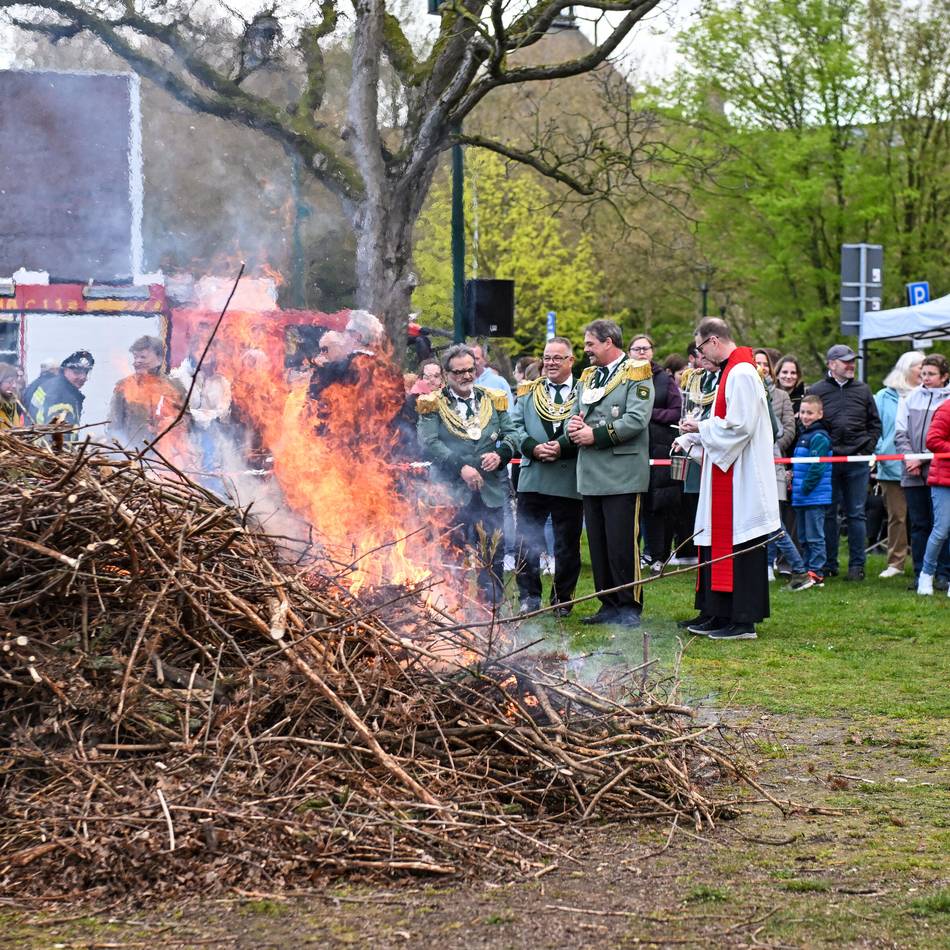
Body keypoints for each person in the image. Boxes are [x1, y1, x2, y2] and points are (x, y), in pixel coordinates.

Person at [674, 318, 780, 640]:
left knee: (741, 545)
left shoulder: (742, 373)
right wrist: (694, 437)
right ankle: (718, 611)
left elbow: (740, 427)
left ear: (714, 341)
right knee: (716, 539)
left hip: (742, 477)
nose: (699, 355)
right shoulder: (731, 371)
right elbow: (726, 421)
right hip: (726, 471)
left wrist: (700, 429)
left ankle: (742, 619)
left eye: (700, 347)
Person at [567, 319, 654, 627]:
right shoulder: (588, 376)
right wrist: (574, 427)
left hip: (621, 471)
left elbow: (636, 419)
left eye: (590, 343)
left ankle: (629, 605)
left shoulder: (637, 371)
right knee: (600, 544)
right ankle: (607, 602)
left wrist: (597, 435)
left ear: (608, 342)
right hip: (590, 472)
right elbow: (575, 413)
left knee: (622, 543)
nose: (586, 349)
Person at [416, 344, 516, 605]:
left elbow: (512, 433)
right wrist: (461, 466)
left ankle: (491, 610)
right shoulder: (432, 403)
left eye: (470, 370)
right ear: (447, 373)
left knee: (493, 554)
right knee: (452, 553)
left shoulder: (493, 398)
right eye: (458, 372)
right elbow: (429, 442)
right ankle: (452, 607)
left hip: (491, 489)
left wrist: (501, 454)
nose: (465, 376)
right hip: (451, 492)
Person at [510, 336, 583, 616]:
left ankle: (562, 599)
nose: (551, 363)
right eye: (547, 357)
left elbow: (589, 423)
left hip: (567, 478)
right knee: (526, 539)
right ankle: (529, 596)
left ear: (570, 361)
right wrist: (532, 447)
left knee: (567, 543)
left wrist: (561, 447)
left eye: (557, 358)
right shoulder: (529, 391)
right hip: (533, 475)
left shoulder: (585, 390)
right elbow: (515, 425)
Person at [808, 344, 882, 581]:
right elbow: (807, 422)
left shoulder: (863, 390)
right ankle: (829, 564)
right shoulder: (817, 390)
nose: (851, 365)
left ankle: (857, 566)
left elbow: (875, 424)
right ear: (831, 364)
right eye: (846, 361)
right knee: (829, 513)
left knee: (857, 514)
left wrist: (866, 448)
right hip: (828, 461)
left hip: (857, 462)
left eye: (852, 361)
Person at [895, 353, 950, 590]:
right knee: (919, 524)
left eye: (931, 374)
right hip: (913, 470)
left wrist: (926, 460)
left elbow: (937, 440)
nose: (925, 378)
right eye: (923, 373)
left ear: (944, 376)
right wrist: (912, 459)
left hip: (940, 469)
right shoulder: (909, 397)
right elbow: (900, 433)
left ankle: (943, 574)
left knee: (943, 525)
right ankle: (920, 573)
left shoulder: (948, 401)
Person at [630, 334, 683, 570]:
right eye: (637, 349)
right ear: (629, 352)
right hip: (631, 448)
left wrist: (649, 414)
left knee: (658, 505)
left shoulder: (665, 380)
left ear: (652, 352)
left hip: (659, 448)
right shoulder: (622, 378)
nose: (642, 352)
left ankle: (658, 555)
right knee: (632, 505)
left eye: (646, 348)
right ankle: (634, 553)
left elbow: (676, 411)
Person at [874, 351, 924, 579]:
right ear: (907, 369)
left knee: (926, 517)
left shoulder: (929, 394)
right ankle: (896, 562)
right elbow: (874, 425)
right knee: (897, 516)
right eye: (920, 366)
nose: (923, 371)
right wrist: (879, 449)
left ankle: (925, 564)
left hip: (924, 465)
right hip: (892, 465)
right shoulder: (884, 396)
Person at [754, 348, 800, 580]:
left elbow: (788, 428)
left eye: (764, 363)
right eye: (756, 362)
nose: (761, 366)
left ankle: (782, 564)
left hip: (774, 460)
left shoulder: (781, 396)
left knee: (774, 516)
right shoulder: (748, 390)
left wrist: (771, 447)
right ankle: (764, 563)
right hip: (752, 462)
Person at [109, 336, 188, 449]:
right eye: (135, 357)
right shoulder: (124, 387)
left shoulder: (175, 387)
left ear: (159, 358)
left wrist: (170, 423)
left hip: (167, 455)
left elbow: (188, 424)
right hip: (134, 454)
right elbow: (114, 426)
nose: (137, 361)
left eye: (143, 357)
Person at [789, 395, 834, 589]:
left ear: (820, 414)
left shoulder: (819, 437)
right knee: (804, 537)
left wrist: (805, 487)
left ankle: (817, 571)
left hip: (814, 495)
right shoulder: (803, 435)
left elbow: (817, 468)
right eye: (803, 412)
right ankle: (807, 569)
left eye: (810, 413)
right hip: (801, 496)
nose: (806, 416)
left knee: (815, 536)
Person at [917, 399, 950, 596]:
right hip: (944, 479)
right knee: (941, 530)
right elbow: (932, 440)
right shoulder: (946, 408)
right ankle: (926, 575)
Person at [27, 350, 95, 436]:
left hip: (38, 444)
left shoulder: (54, 385)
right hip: (48, 448)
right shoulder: (61, 396)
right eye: (77, 372)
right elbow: (57, 436)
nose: (83, 377)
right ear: (65, 370)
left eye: (86, 372)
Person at [0, 363, 24, 427]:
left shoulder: (12, 403)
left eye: (15, 382)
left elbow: (17, 427)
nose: (14, 386)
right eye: (9, 382)